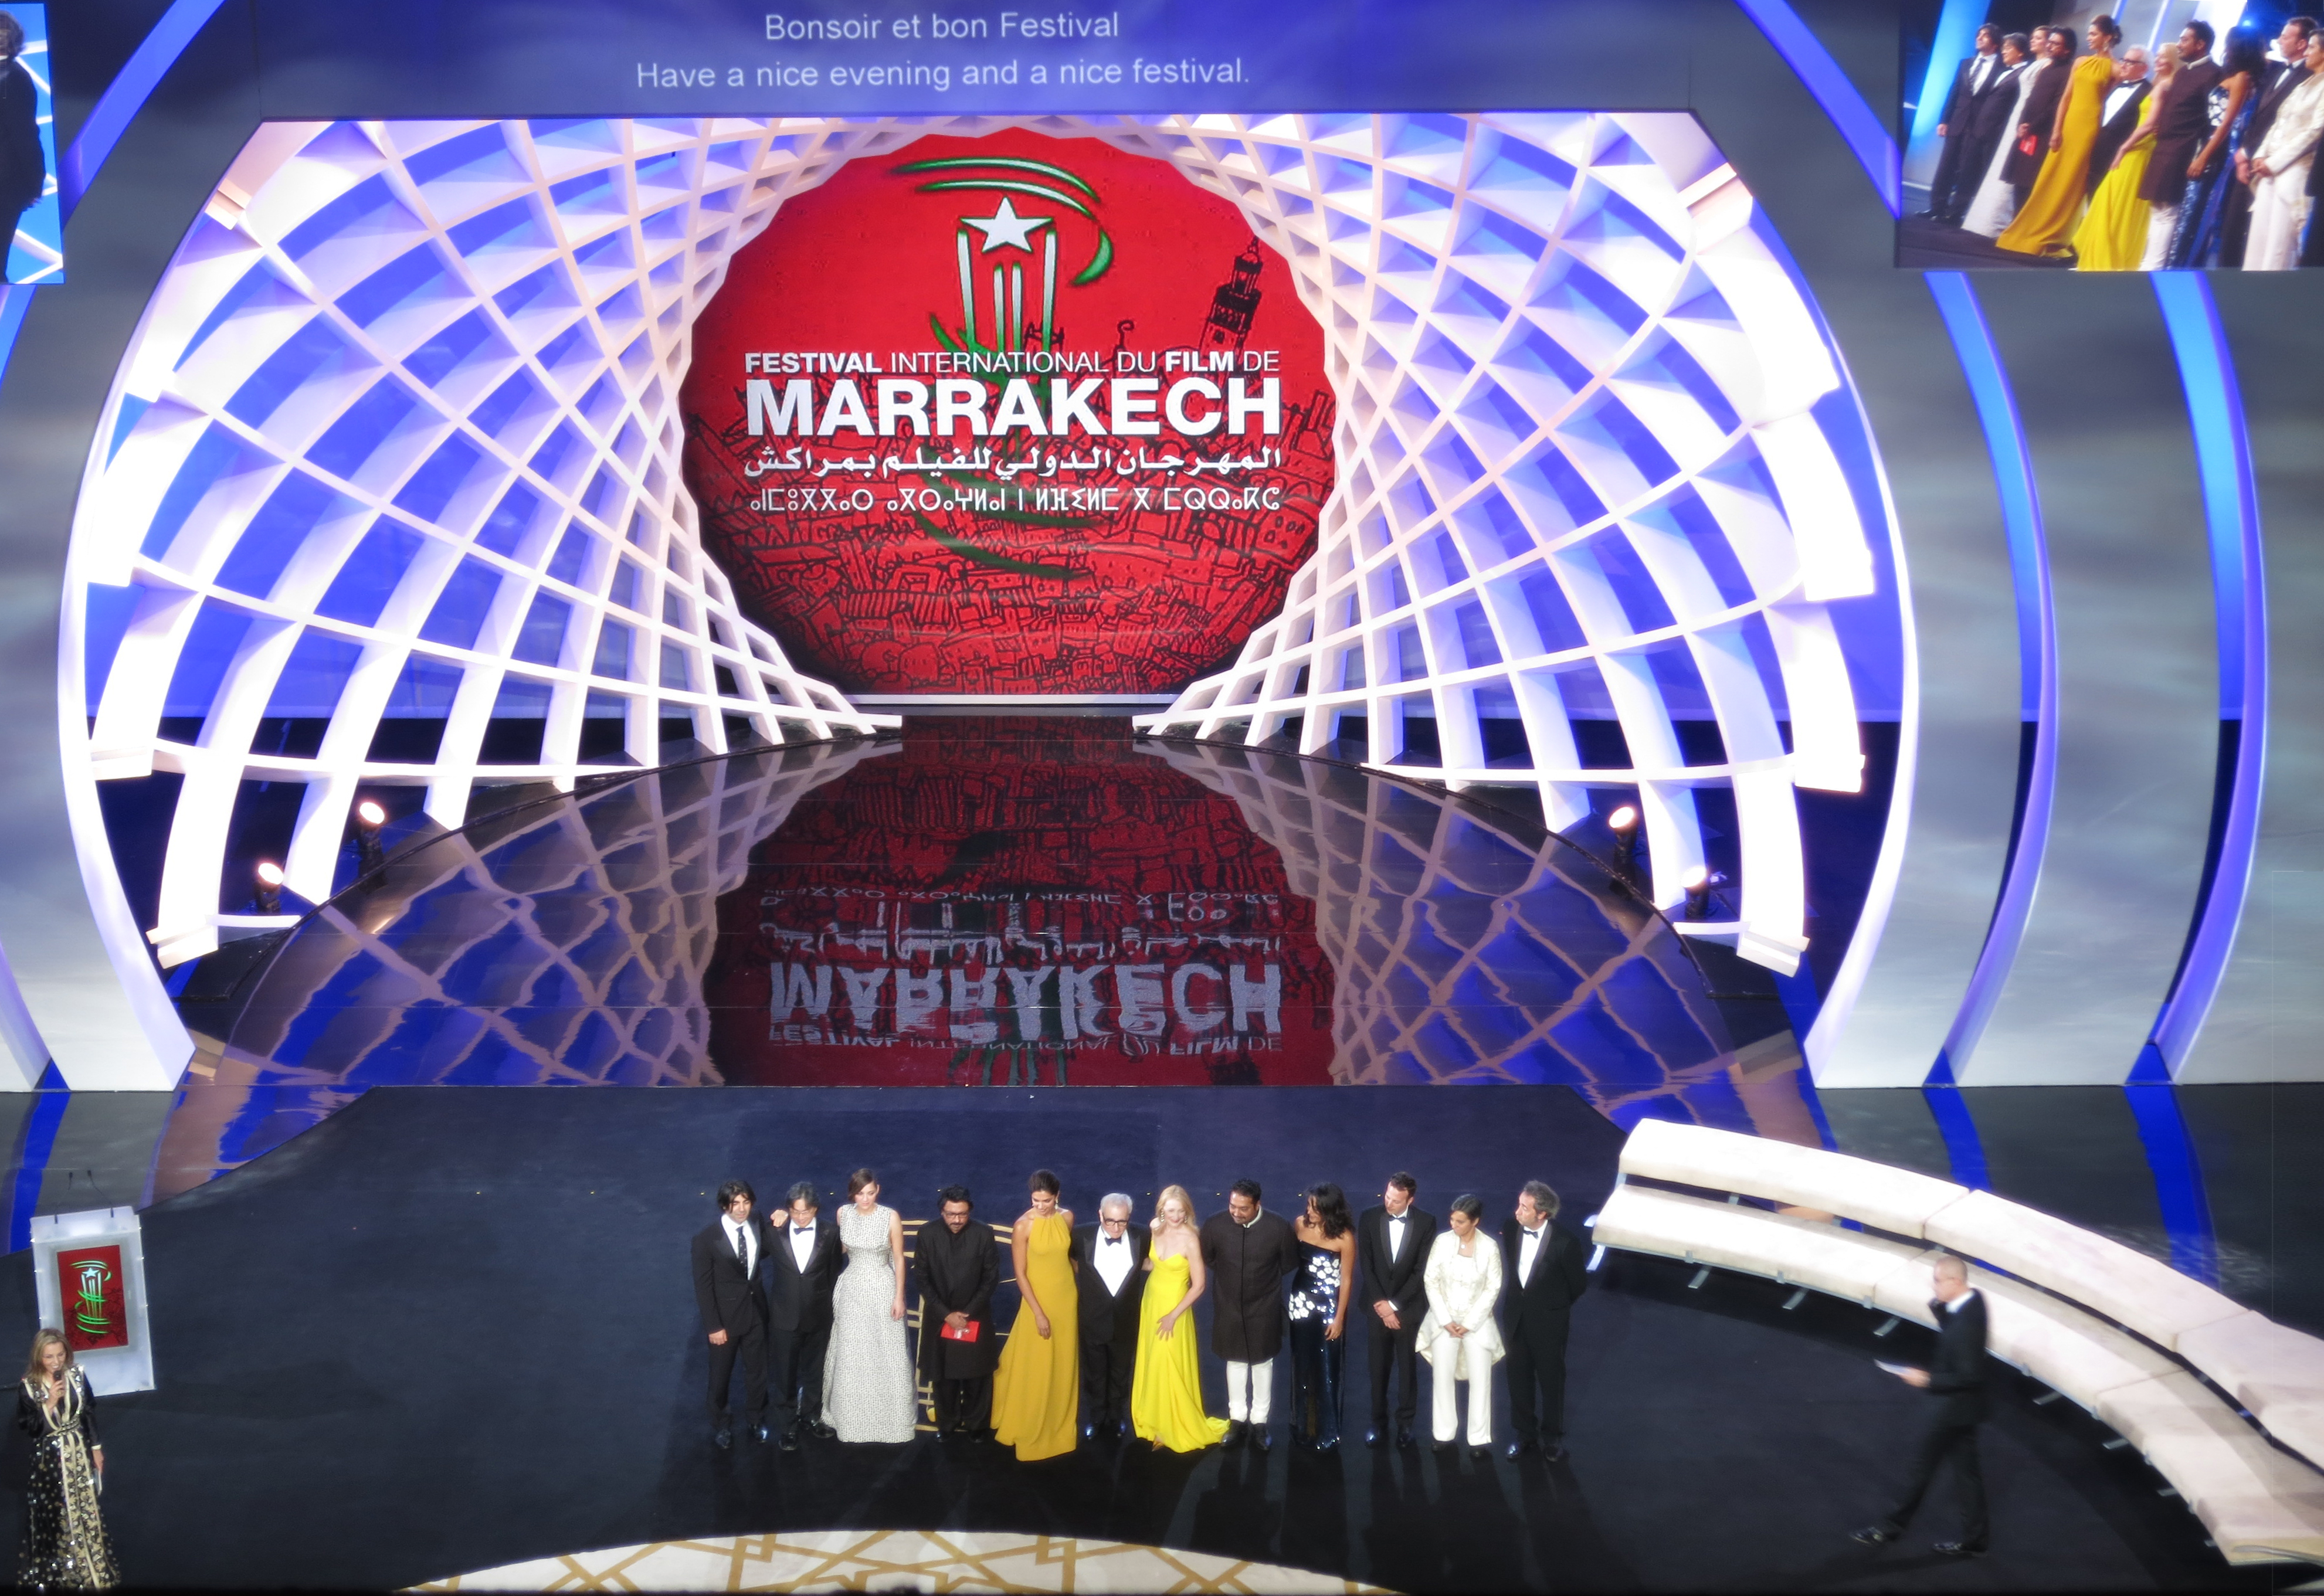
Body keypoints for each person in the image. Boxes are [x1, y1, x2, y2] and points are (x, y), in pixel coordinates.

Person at [1853, 1255, 1992, 1558]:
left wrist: (1927, 1380)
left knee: (1920, 1469)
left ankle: (1889, 1528)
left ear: (1956, 1282)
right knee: (1967, 1476)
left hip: (1951, 1409)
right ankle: (1976, 1540)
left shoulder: (1967, 1324)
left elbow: (1970, 1375)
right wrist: (1940, 1305)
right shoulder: (1974, 1300)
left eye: (1939, 1281)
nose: (1934, 1286)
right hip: (1966, 1409)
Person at [2000, 17, 2120, 256]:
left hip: (2089, 129)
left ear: (2107, 37)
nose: (2089, 38)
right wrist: (2057, 129)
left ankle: (2060, 233)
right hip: (2067, 126)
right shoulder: (2080, 62)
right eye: (2089, 34)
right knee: (2050, 177)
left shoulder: (2116, 69)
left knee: (2072, 181)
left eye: (2094, 34)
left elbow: (2108, 101)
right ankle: (2033, 224)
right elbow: (2066, 97)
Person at [1199, 1177, 1301, 1451]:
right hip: (1228, 1306)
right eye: (1232, 1206)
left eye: (1243, 1208)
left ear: (1257, 1205)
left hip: (1264, 1308)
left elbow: (1288, 1262)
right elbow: (1208, 1257)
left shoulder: (1278, 1228)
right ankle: (1237, 1420)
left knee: (1262, 1364)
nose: (1236, 1212)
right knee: (1235, 1362)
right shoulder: (1215, 1225)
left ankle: (1259, 1423)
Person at [1131, 1184, 1229, 1452]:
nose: (1175, 1216)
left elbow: (1199, 1285)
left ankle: (1171, 1425)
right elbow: (1152, 1264)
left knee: (1169, 1363)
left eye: (1180, 1211)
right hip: (1152, 1301)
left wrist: (1173, 1316)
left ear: (1187, 1211)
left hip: (1175, 1308)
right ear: (1162, 1210)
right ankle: (1155, 1420)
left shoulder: (1191, 1239)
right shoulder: (1155, 1228)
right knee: (1153, 1360)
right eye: (1170, 1211)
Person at [821, 1168, 915, 1444]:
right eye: (860, 1193)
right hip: (852, 1288)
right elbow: (840, 1250)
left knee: (886, 1350)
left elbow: (899, 1258)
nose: (865, 1199)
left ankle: (892, 1420)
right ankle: (850, 1419)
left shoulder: (890, 1216)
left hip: (882, 1288)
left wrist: (899, 1297)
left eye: (870, 1193)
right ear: (852, 1193)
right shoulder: (843, 1213)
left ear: (878, 1191)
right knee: (852, 1351)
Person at [17, 1329, 117, 1588]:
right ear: (39, 1357)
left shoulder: (77, 1375)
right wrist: (50, 1402)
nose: (56, 1362)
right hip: (50, 1459)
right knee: (57, 1511)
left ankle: (91, 1566)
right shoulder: (29, 1385)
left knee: (86, 1506)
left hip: (78, 1451)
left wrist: (96, 1448)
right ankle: (63, 1570)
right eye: (49, 1357)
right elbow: (31, 1428)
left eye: (60, 1355)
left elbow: (88, 1413)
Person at [992, 1169, 1079, 1461]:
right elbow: (1020, 1274)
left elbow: (1067, 1257)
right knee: (1037, 1363)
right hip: (1037, 1302)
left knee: (1063, 1359)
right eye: (1036, 1201)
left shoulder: (1067, 1218)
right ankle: (1030, 1418)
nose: (1041, 1206)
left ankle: (1058, 1419)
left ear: (1057, 1197)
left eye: (1047, 1201)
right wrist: (1038, 1313)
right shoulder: (1023, 1226)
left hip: (1066, 1299)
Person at [1499, 1179, 1588, 1462]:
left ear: (1542, 1214)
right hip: (1516, 1319)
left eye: (1524, 1208)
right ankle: (1524, 1434)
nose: (1517, 1212)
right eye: (1519, 1205)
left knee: (1551, 1382)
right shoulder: (1511, 1228)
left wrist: (1552, 1308)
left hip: (1549, 1325)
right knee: (1518, 1379)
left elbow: (1578, 1285)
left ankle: (1552, 1438)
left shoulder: (1566, 1243)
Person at [2128, 22, 2227, 266]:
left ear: (2200, 44)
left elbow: (2215, 122)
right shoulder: (2183, 73)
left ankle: (2155, 267)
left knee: (2168, 210)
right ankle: (2148, 264)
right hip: (2163, 148)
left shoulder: (2214, 74)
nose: (2179, 44)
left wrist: (2202, 156)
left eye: (2185, 40)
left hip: (2184, 150)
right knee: (2156, 207)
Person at [2169, 25, 2269, 265]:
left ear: (2238, 47)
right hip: (2211, 142)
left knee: (2198, 210)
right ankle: (2179, 262)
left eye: (2229, 42)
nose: (2226, 47)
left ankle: (2182, 265)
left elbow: (2228, 123)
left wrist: (2204, 156)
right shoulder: (2234, 75)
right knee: (2191, 208)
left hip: (2220, 147)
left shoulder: (2243, 78)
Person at [2223, 17, 2318, 264]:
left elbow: (2309, 130)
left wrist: (2268, 160)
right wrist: (2247, 153)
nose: (2279, 40)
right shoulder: (2274, 70)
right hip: (2257, 160)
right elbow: (2261, 118)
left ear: (2303, 44)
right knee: (2242, 234)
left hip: (2285, 166)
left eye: (2286, 36)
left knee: (2276, 246)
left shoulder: (2310, 77)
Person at [1417, 1194, 1504, 1457]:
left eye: (1460, 1221)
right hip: (1443, 1322)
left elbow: (1493, 1287)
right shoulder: (1442, 1242)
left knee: (1481, 1381)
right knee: (1442, 1378)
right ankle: (1443, 1435)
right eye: (1453, 1220)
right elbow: (1430, 1281)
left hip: (1477, 1323)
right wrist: (1446, 1320)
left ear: (1475, 1222)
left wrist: (1469, 1323)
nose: (1453, 1225)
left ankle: (1478, 1439)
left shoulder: (1489, 1247)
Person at [2077, 47, 2179, 269]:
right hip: (2123, 148)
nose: (2158, 60)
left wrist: (2124, 147)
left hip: (2137, 150)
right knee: (2106, 200)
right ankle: (2094, 256)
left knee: (2119, 203)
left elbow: (2151, 124)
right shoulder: (2155, 84)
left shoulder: (2164, 86)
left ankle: (2111, 259)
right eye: (2158, 56)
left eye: (2162, 57)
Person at [691, 1177, 774, 1448]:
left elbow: (763, 1251)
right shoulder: (706, 1239)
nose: (741, 1209)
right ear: (724, 1205)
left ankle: (756, 1419)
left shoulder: (757, 1222)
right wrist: (713, 1326)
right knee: (720, 1376)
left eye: (746, 1202)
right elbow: (703, 1287)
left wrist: (779, 1222)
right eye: (735, 1203)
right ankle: (722, 1425)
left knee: (758, 1372)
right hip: (725, 1321)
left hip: (756, 1312)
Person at [1358, 1172, 1436, 1450]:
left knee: (1407, 1370)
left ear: (1410, 1200)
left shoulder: (1426, 1222)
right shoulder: (1369, 1217)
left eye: (1396, 1200)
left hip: (1408, 1310)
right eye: (1387, 1197)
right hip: (1376, 1308)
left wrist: (1394, 1306)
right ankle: (1377, 1423)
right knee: (1377, 1368)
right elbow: (1366, 1265)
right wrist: (1383, 1305)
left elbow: (1421, 1271)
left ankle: (1405, 1425)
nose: (1388, 1203)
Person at [915, 1184, 1001, 1439]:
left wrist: (968, 1312)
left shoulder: (983, 1234)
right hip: (940, 1316)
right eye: (951, 1214)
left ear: (970, 1211)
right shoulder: (927, 1234)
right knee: (944, 1377)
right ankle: (947, 1424)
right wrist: (946, 1314)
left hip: (975, 1315)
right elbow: (922, 1279)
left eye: (962, 1214)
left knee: (977, 1375)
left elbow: (991, 1278)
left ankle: (977, 1426)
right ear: (942, 1212)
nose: (957, 1220)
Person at [766, 1179, 841, 1450]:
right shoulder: (774, 1232)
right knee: (784, 1375)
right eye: (795, 1212)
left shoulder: (831, 1233)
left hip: (818, 1315)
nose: (800, 1217)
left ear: (816, 1209)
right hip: (783, 1317)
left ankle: (811, 1415)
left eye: (805, 1212)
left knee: (814, 1370)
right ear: (788, 1210)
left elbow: (833, 1272)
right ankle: (787, 1426)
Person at [1071, 1193, 1148, 1441]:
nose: (1116, 1228)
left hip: (1125, 1320)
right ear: (1100, 1215)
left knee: (1120, 1372)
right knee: (1094, 1373)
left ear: (1129, 1218)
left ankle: (1116, 1417)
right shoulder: (1080, 1235)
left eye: (1122, 1222)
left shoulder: (1142, 1235)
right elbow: (1069, 1261)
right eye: (1110, 1221)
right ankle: (1096, 1418)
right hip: (1092, 1319)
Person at [1286, 1181, 1358, 1450]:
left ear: (1330, 1209)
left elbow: (1347, 1280)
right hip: (1301, 1304)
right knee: (1302, 1364)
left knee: (1327, 1367)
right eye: (1309, 1206)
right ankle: (1303, 1427)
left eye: (1315, 1208)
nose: (1309, 1211)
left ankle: (1328, 1431)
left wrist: (1339, 1318)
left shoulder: (1345, 1238)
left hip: (1329, 1307)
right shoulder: (1299, 1225)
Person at [2245, 30, 2324, 268]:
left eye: (2312, 47)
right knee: (2257, 243)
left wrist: (2275, 162)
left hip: (2294, 171)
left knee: (2278, 249)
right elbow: (2278, 123)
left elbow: (2315, 131)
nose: (2307, 53)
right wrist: (2261, 155)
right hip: (2269, 170)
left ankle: (2272, 292)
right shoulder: (2304, 85)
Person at [1927, 25, 2005, 224]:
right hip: (1957, 121)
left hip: (1980, 125)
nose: (1980, 38)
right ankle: (1937, 208)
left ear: (1995, 43)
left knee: (1968, 170)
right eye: (1979, 34)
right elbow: (1953, 92)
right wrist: (1944, 120)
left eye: (1985, 35)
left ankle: (1956, 213)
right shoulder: (1966, 63)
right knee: (1945, 166)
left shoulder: (2002, 67)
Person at [1963, 34, 2038, 236]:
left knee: (1988, 171)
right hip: (1981, 128)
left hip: (1999, 131)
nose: (2003, 51)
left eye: (2008, 48)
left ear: (2020, 52)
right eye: (2003, 47)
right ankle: (1961, 211)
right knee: (1968, 171)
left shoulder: (2024, 72)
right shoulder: (2003, 71)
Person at [2000, 26, 2076, 212]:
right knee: (2018, 180)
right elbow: (2031, 98)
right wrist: (2022, 124)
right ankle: (2016, 222)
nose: (2050, 46)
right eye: (2050, 42)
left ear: (2067, 49)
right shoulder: (2047, 67)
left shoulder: (2068, 71)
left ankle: (2023, 224)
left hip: (2043, 133)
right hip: (2028, 131)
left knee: (2029, 182)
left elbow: (2056, 105)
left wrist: (2032, 126)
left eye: (2056, 44)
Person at [0, 13, 41, 286]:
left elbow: (22, 134)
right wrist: (34, 182)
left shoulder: (13, 78)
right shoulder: (15, 77)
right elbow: (24, 135)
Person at [2087, 46, 2156, 192]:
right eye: (2123, 60)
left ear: (2144, 68)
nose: (2123, 65)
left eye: (2130, 62)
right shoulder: (2116, 86)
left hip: (2119, 155)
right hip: (2096, 149)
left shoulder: (2149, 93)